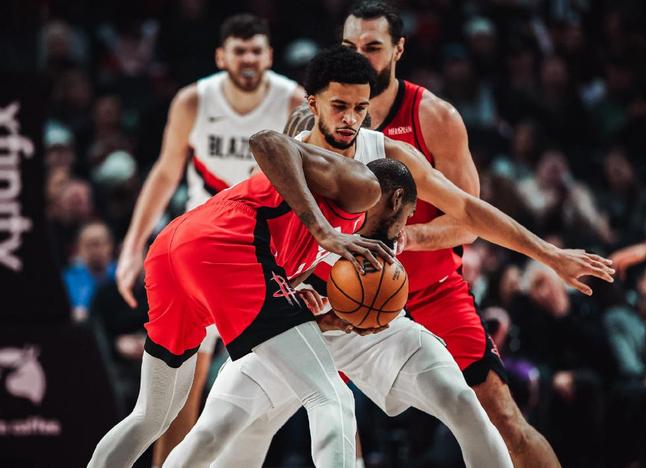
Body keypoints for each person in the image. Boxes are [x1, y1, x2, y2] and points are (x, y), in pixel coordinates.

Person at [162, 46, 613, 468]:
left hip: (374, 323)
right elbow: (251, 253)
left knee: (462, 402)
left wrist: (549, 253)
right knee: (219, 436)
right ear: (314, 104)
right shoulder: (286, 160)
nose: (350, 119)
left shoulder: (389, 157)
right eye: (339, 106)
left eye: (360, 108)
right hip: (297, 326)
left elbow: (468, 209)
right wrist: (287, 296)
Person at [295, 3, 572, 465]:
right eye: (350, 46)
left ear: (399, 50)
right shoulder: (315, 120)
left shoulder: (434, 117)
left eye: (372, 47)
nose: (360, 56)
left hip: (431, 289)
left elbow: (468, 218)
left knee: (503, 418)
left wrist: (409, 237)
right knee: (335, 423)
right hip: (342, 290)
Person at [88, 76, 399, 466]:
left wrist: (305, 300)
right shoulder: (355, 186)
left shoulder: (305, 208)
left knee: (151, 415)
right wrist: (324, 232)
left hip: (174, 248)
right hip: (226, 248)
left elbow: (274, 282)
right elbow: (267, 140)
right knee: (330, 397)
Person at [112, 13, 306, 464]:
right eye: (239, 51)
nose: (248, 59)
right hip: (201, 250)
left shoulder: (292, 101)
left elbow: (304, 184)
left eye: (256, 50)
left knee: (295, 384)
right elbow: (165, 174)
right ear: (221, 56)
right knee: (182, 390)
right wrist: (131, 247)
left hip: (264, 252)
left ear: (269, 56)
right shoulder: (193, 101)